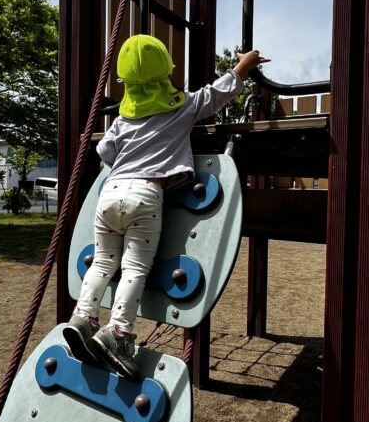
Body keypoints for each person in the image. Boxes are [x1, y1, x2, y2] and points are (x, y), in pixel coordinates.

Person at [63, 35, 269, 379]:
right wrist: (241, 69)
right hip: (145, 196)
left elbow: (105, 152)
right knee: (134, 268)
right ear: (166, 75)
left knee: (102, 261)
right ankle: (118, 332)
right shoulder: (181, 107)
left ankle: (83, 317)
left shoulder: (121, 121)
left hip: (109, 194)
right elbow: (215, 95)